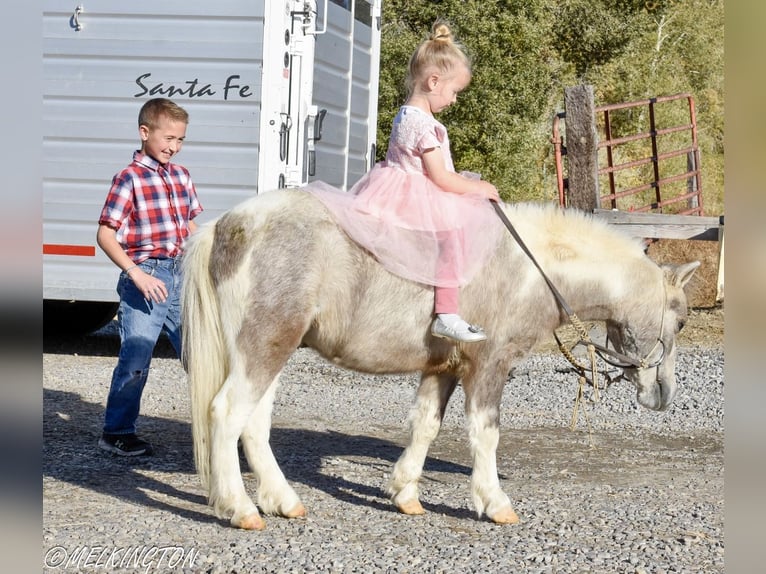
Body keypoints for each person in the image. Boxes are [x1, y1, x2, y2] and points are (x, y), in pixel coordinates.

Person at [306, 20, 503, 342]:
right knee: (453, 240)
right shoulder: (425, 125)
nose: (454, 100)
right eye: (454, 92)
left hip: (394, 187)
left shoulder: (406, 114)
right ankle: (447, 314)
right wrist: (479, 188)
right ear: (434, 81)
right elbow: (440, 177)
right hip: (417, 193)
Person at [96, 98, 203, 456]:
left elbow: (188, 225)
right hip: (146, 279)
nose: (173, 146)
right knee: (137, 357)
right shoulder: (129, 178)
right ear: (145, 132)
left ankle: (216, 431)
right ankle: (117, 432)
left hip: (179, 275)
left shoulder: (181, 176)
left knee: (201, 354)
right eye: (168, 138)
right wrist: (136, 275)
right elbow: (105, 234)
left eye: (181, 140)